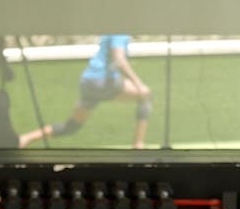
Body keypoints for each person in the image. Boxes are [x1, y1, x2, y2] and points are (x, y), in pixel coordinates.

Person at [18, 34, 152, 148]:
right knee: (145, 95)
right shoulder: (119, 32)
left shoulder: (111, 31)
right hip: (103, 82)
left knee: (71, 127)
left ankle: (26, 138)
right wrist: (138, 85)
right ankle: (138, 144)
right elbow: (120, 60)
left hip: (88, 82)